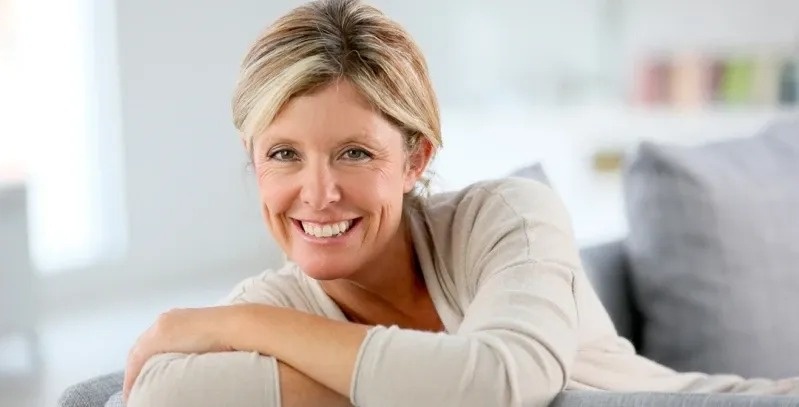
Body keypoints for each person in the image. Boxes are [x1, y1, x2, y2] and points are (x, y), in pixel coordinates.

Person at [122, 1, 799, 406]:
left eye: (354, 152)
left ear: (415, 157)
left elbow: (500, 383)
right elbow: (157, 395)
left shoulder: (508, 217)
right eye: (283, 154)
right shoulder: (276, 303)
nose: (318, 193)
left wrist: (242, 323)